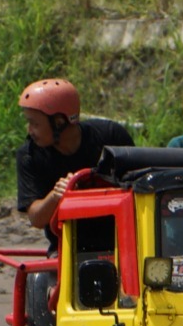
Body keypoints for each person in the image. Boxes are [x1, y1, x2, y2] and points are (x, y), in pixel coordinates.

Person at [15, 78, 134, 252]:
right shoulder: (29, 155)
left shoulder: (111, 136)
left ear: (59, 122)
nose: (29, 130)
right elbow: (36, 219)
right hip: (66, 249)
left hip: (123, 240)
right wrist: (55, 196)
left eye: (34, 123)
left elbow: (140, 187)